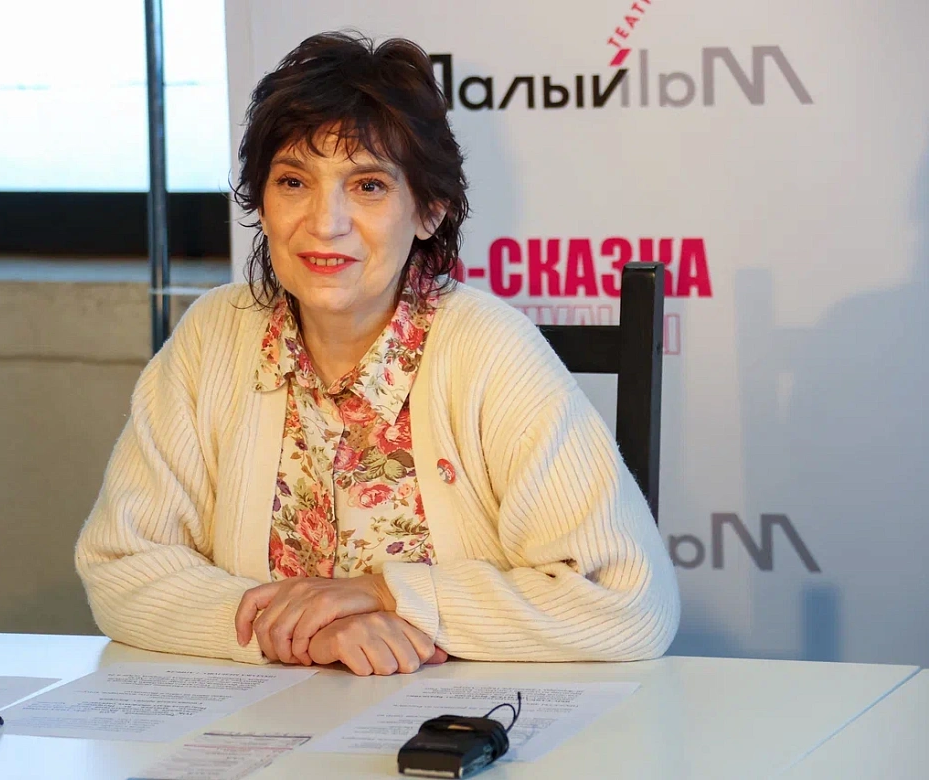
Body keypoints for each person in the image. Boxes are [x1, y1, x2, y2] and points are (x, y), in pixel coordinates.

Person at [75, 32, 679, 677]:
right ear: (261, 204)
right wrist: (305, 633)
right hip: (261, 722)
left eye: (367, 186)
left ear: (429, 211)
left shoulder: (489, 349)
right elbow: (122, 566)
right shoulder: (214, 337)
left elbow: (627, 603)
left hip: (460, 720)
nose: (325, 222)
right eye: (292, 182)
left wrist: (387, 594)